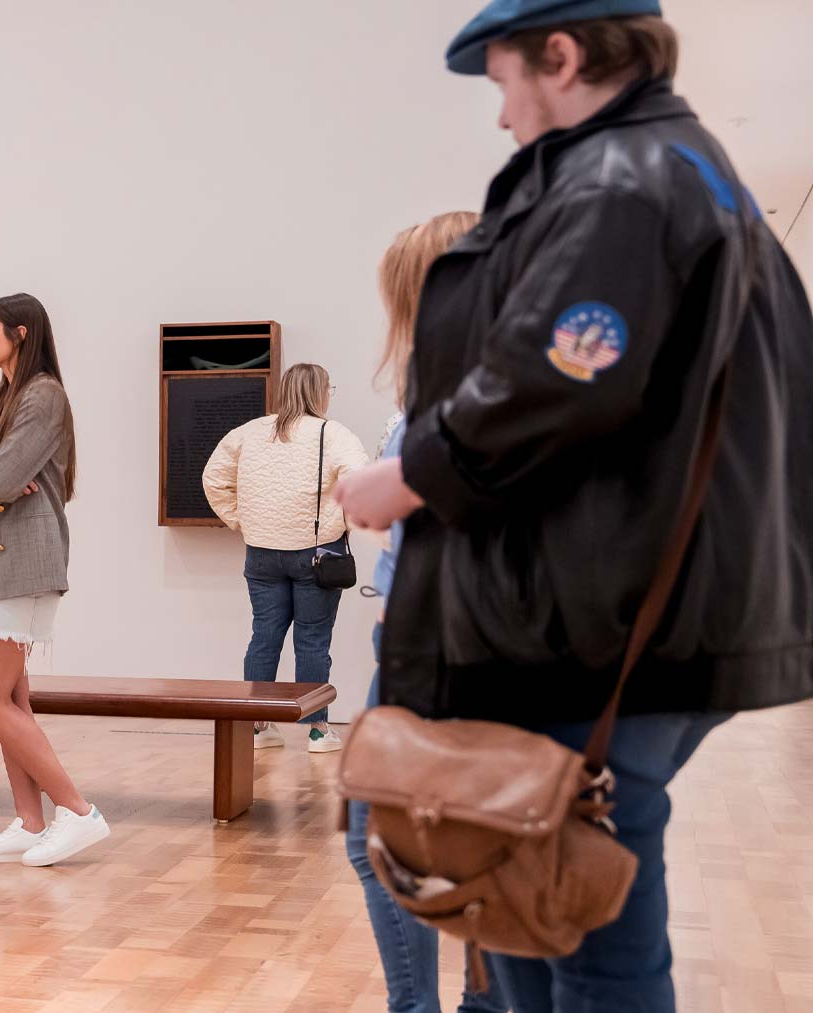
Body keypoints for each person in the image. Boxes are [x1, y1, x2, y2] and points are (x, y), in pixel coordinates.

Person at [334, 6, 813, 1009]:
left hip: (602, 631)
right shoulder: (694, 175)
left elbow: (559, 376)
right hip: (645, 618)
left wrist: (405, 471)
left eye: (507, 83)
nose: (504, 118)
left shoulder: (623, 182)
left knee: (587, 941)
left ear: (564, 55)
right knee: (533, 904)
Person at [345, 212, 506, 1013]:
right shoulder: (494, 397)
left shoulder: (459, 407)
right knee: (480, 844)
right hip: (451, 652)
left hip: (440, 657)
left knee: (379, 842)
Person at [0, 293, 110, 868]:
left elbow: (3, 481)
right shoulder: (2, 397)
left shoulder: (44, 396)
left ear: (20, 333)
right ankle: (32, 821)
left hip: (23, 558)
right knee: (9, 696)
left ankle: (79, 812)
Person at [201, 362, 368, 752]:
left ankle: (256, 726)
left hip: (261, 554)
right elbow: (359, 483)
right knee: (312, 641)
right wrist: (342, 523)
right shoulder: (333, 433)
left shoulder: (251, 432)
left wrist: (241, 520)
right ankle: (317, 730)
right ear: (320, 392)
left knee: (264, 636)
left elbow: (213, 477)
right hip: (317, 554)